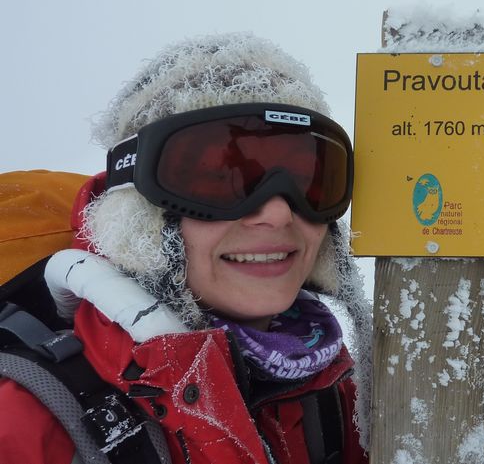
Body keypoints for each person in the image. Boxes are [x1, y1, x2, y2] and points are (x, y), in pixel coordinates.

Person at [0, 33, 372, 464]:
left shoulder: (342, 395)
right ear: (141, 213)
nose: (278, 213)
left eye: (307, 178)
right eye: (219, 179)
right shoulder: (29, 423)